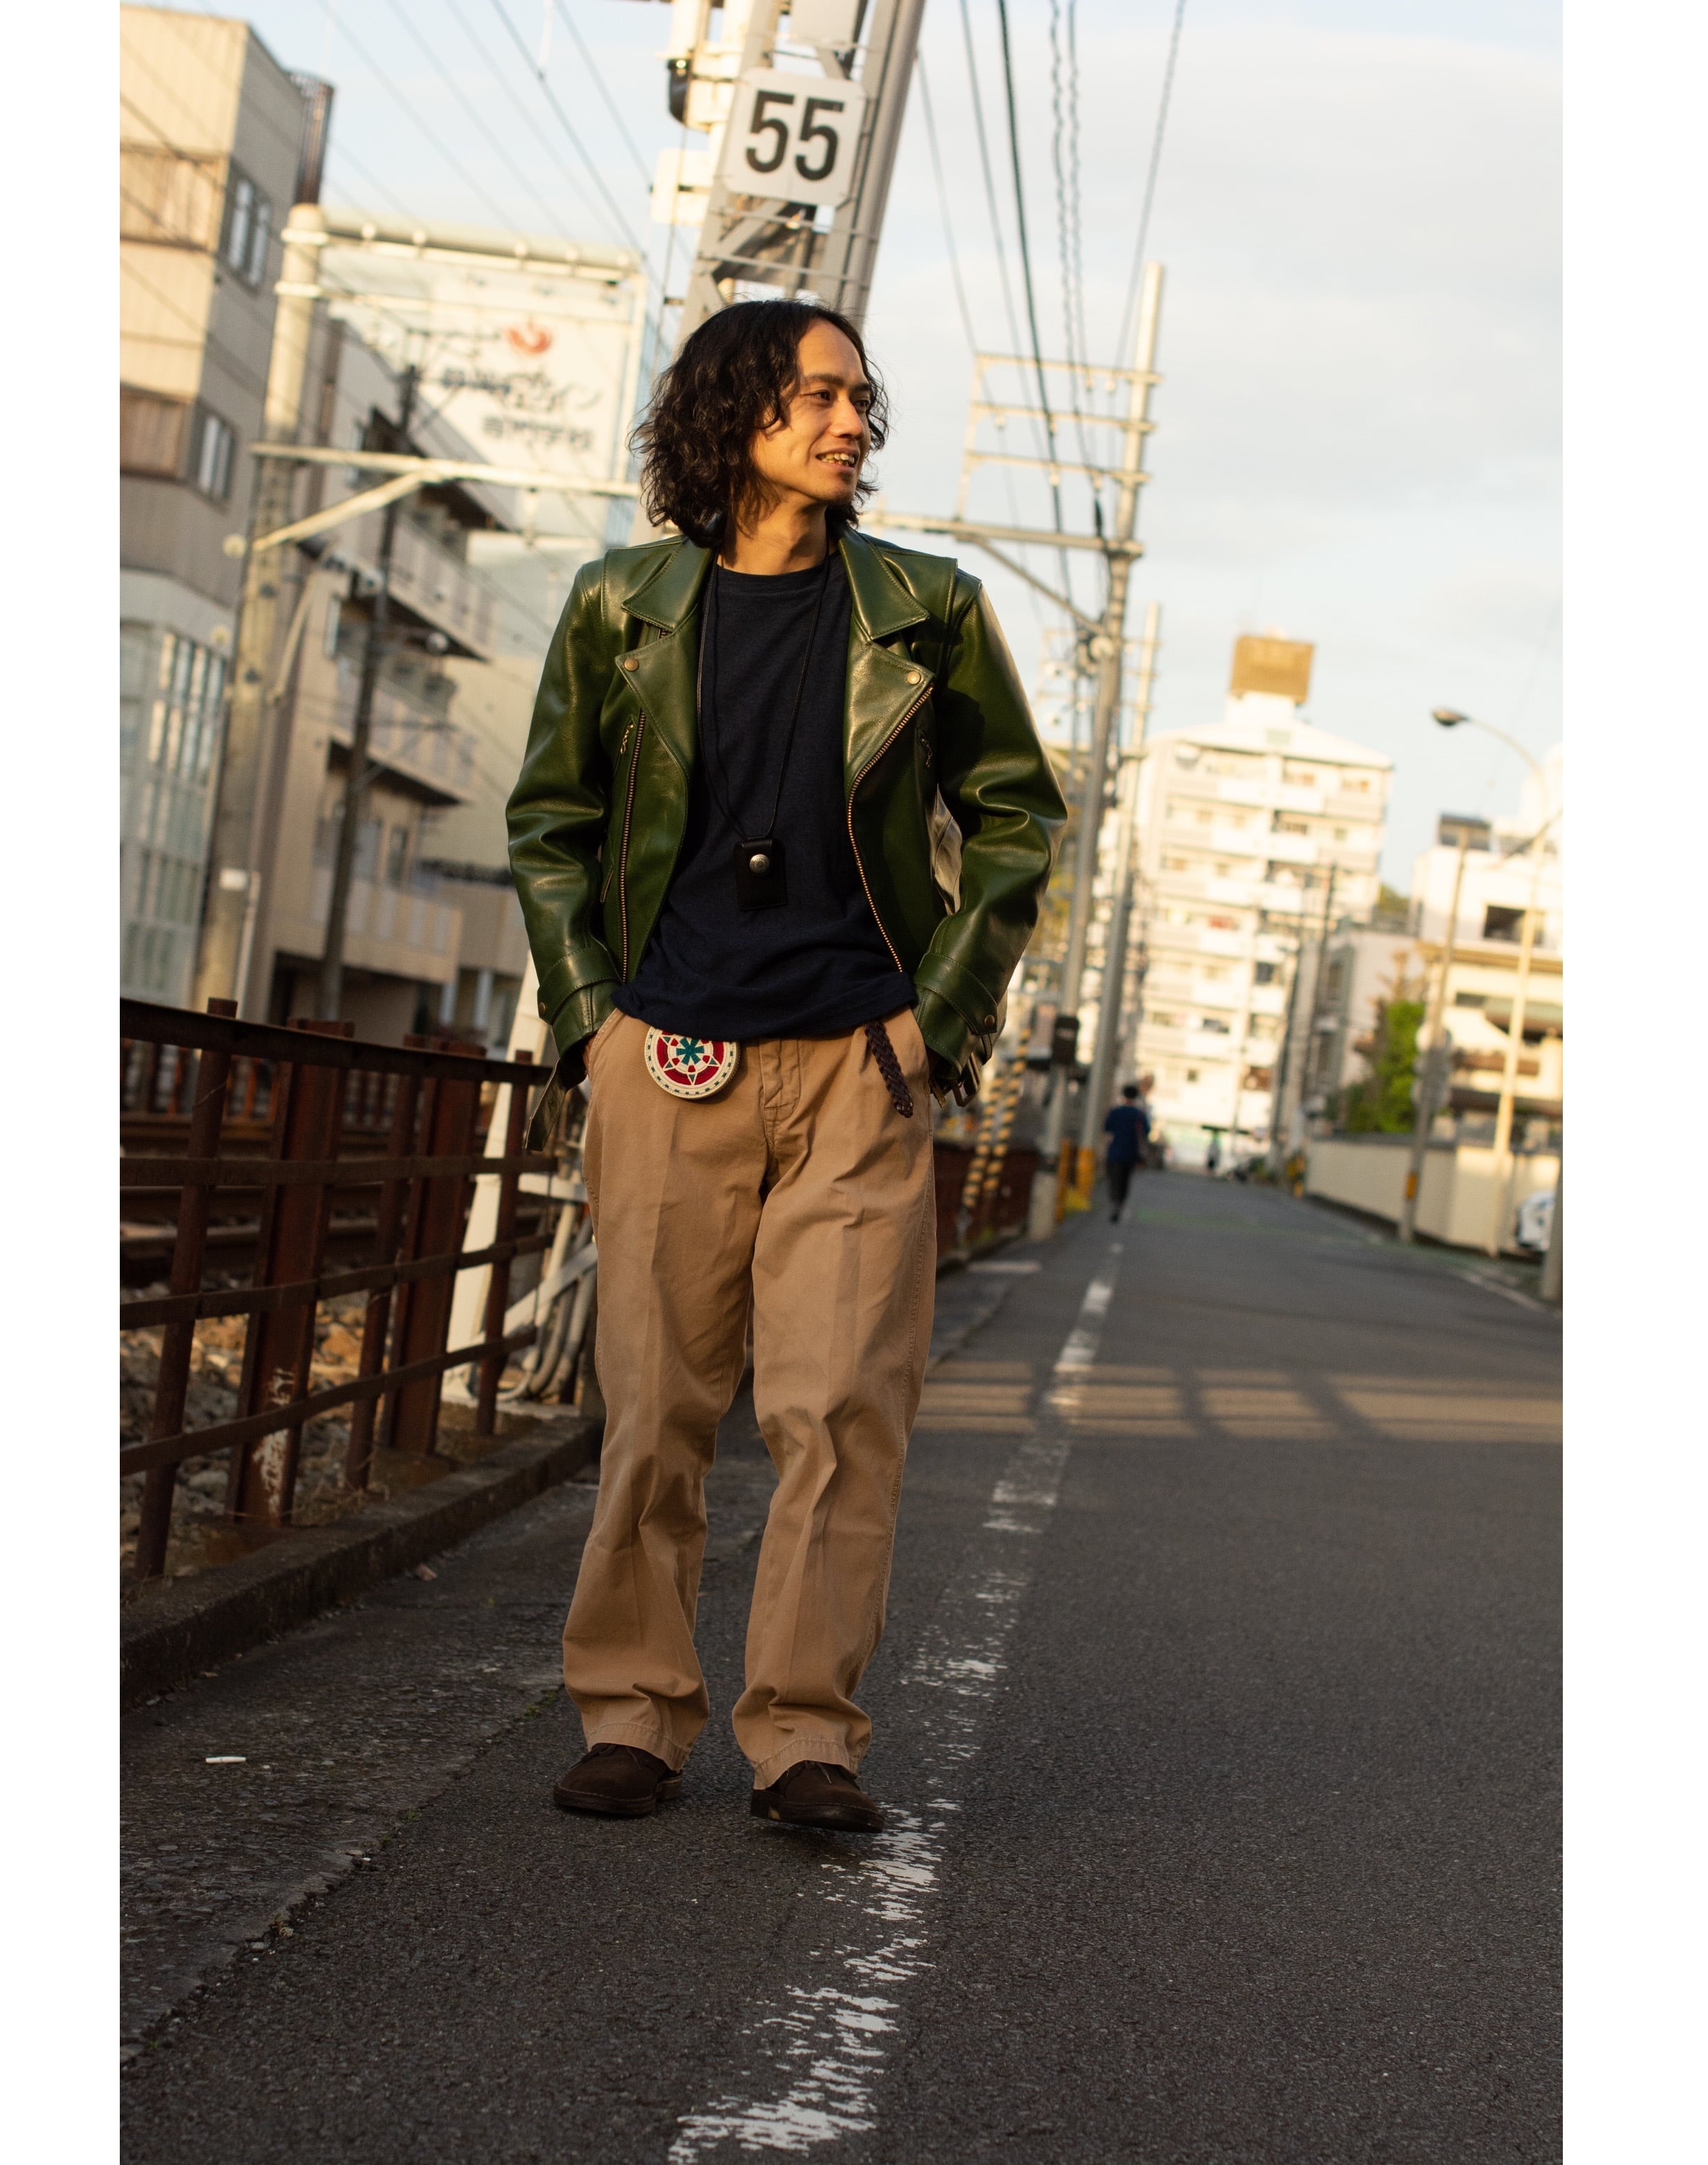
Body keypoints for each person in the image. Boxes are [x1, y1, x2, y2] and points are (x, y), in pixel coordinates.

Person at [506, 300, 1065, 1833]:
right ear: (732, 407)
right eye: (818, 394)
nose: (849, 422)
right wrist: (595, 1019)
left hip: (856, 1064)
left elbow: (1017, 815)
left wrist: (933, 1021)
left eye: (859, 400)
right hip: (668, 1051)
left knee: (838, 1414)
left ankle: (807, 1735)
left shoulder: (925, 610)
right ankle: (633, 1712)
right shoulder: (621, 606)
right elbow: (550, 821)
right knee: (654, 1409)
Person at [1101, 1085, 1151, 1223]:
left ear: (1123, 1095)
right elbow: (1146, 1131)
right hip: (1131, 1154)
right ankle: (1120, 1204)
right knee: (1125, 1180)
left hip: (1115, 1152)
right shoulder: (1139, 1114)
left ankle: (1115, 1203)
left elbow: (1107, 1127)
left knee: (1114, 1180)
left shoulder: (1116, 1112)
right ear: (1136, 1097)